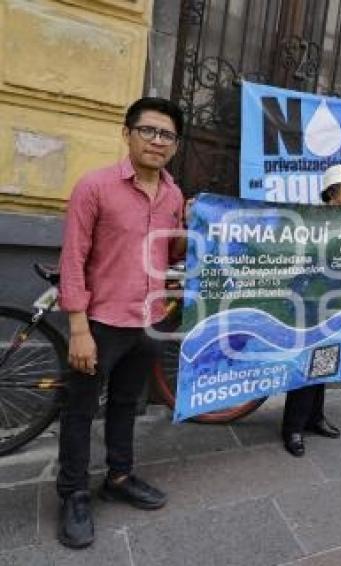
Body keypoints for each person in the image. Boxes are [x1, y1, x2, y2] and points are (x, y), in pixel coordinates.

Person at [56, 98, 187, 549]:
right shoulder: (94, 187)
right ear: (127, 133)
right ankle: (73, 492)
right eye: (148, 131)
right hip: (100, 321)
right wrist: (78, 327)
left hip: (148, 320)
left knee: (127, 404)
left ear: (175, 144)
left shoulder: (174, 195)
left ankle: (119, 475)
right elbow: (72, 259)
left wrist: (190, 240)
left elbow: (169, 254)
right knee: (78, 410)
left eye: (166, 135)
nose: (156, 141)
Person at [280, 164, 341, 457]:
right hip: (308, 301)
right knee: (306, 365)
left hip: (338, 301)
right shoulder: (313, 218)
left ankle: (314, 417)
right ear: (333, 192)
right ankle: (292, 427)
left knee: (326, 362)